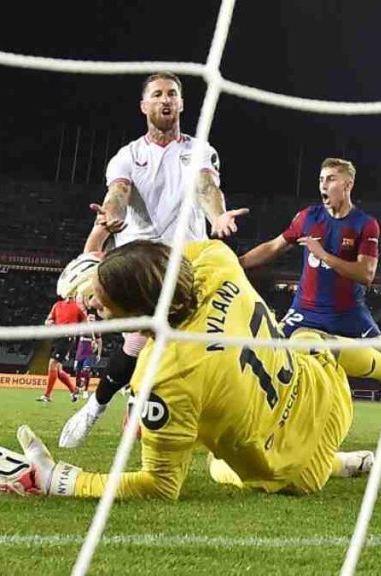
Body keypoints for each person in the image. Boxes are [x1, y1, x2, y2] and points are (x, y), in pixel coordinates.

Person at [0, 240, 381, 500]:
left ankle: (331, 458)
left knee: (220, 456)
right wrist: (104, 268)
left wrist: (56, 479)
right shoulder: (217, 263)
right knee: (306, 340)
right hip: (330, 399)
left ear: (138, 310)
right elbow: (166, 254)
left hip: (297, 473)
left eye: (104, 304)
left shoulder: (161, 378)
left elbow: (159, 487)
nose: (97, 311)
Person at [58, 72, 245, 446]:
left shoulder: (198, 151)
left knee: (181, 348)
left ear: (181, 104)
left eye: (172, 94)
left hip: (188, 261)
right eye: (157, 94)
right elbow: (118, 191)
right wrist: (112, 215)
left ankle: (115, 405)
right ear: (144, 106)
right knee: (142, 341)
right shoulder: (128, 156)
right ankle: (103, 406)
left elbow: (207, 186)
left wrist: (217, 217)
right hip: (140, 266)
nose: (166, 100)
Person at [239, 158, 381, 450]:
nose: (324, 184)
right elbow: (273, 247)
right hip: (304, 313)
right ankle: (258, 428)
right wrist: (238, 264)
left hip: (349, 316)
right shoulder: (307, 218)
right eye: (321, 178)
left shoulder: (364, 224)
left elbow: (366, 274)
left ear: (348, 184)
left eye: (331, 178)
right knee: (269, 362)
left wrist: (323, 255)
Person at [38, 296, 86, 403]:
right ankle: (74, 391)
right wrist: (48, 322)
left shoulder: (78, 307)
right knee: (58, 371)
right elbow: (49, 319)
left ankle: (47, 395)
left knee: (52, 363)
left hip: (67, 337)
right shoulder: (57, 305)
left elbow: (85, 322)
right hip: (56, 337)